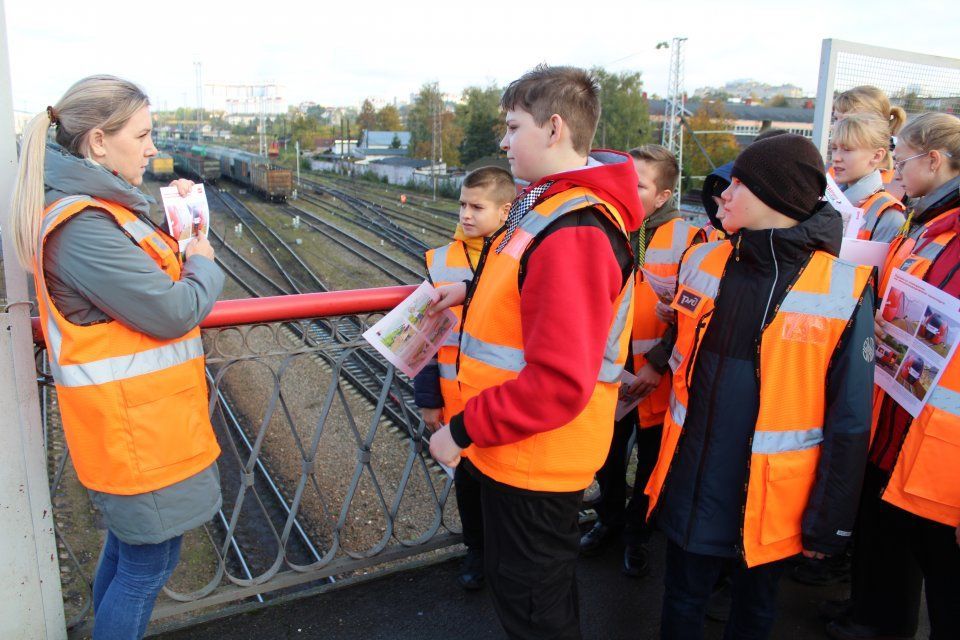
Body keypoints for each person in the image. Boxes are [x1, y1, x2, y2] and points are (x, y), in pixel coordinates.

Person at [428, 64, 642, 639]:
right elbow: (537, 296)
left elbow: (558, 381)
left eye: (512, 125)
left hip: (533, 458)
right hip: (521, 452)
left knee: (533, 616)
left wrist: (463, 429)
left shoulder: (573, 226)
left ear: (553, 129)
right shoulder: (551, 206)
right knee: (538, 600)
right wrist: (470, 290)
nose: (503, 140)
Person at [9, 75, 224, 640]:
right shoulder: (84, 225)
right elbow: (176, 310)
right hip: (138, 434)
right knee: (146, 567)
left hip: (147, 425)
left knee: (132, 557)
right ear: (99, 142)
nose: (153, 147)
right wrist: (202, 259)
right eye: (143, 133)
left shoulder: (100, 210)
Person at [644, 134, 875, 639]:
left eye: (740, 183)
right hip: (691, 480)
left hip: (773, 499)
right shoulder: (705, 262)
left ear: (777, 196)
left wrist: (828, 521)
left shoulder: (844, 287)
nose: (723, 193)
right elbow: (680, 350)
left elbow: (850, 420)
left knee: (753, 613)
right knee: (680, 600)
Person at [826, 112, 960, 640]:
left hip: (937, 441)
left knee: (944, 581)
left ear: (935, 159)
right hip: (902, 414)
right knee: (893, 538)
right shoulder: (930, 221)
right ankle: (876, 619)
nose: (895, 173)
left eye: (900, 160)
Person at [580, 145, 702, 581]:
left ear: (663, 195)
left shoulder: (690, 240)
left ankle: (638, 535)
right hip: (608, 375)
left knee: (651, 465)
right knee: (606, 456)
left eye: (640, 184)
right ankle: (609, 520)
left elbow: (693, 314)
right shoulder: (607, 227)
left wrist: (655, 363)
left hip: (656, 381)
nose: (627, 189)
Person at [414, 166, 514, 590]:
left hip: (505, 402)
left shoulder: (518, 256)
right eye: (462, 204)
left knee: (505, 489)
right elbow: (422, 339)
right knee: (469, 487)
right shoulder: (441, 261)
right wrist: (428, 398)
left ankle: (503, 556)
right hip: (458, 402)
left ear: (505, 210)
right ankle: (477, 552)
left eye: (477, 206)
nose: (466, 214)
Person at [829, 113, 905, 242]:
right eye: (834, 148)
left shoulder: (889, 216)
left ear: (877, 156)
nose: (836, 158)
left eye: (847, 150)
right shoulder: (826, 199)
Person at [832, 85, 908, 199]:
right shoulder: (836, 168)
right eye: (836, 119)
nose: (837, 126)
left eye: (848, 120)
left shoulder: (900, 183)